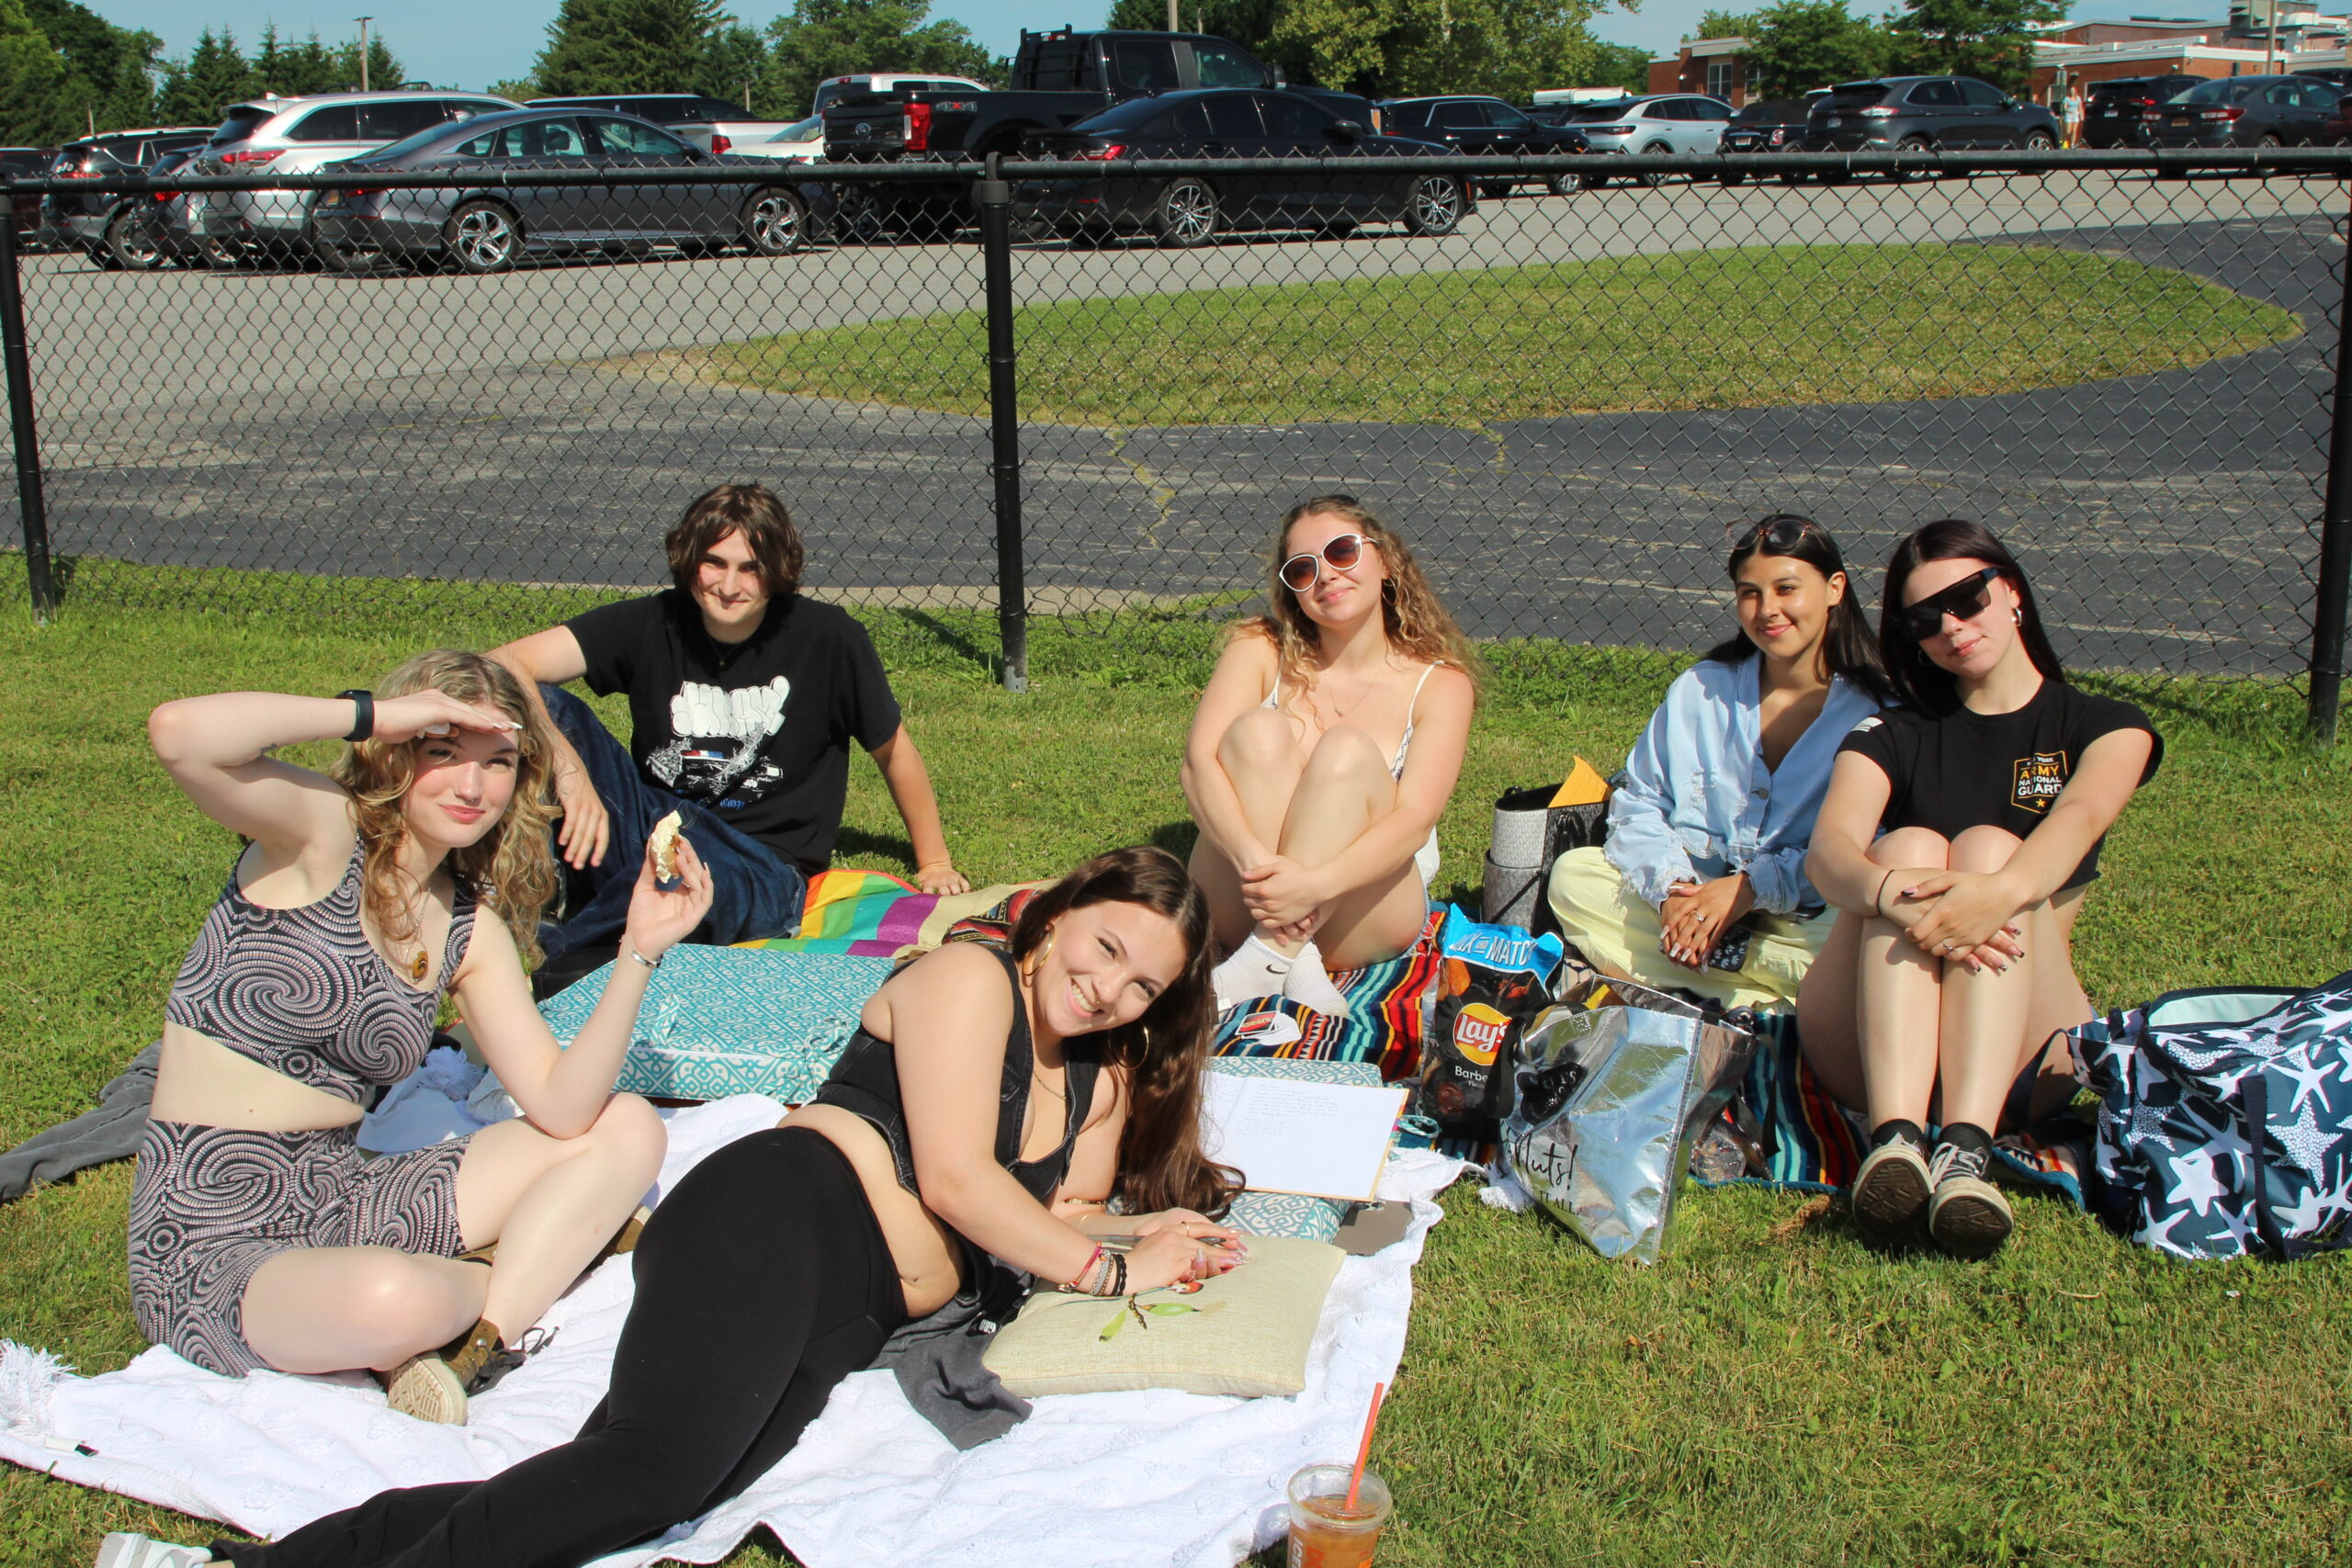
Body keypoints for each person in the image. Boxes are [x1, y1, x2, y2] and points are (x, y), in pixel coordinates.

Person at [103, 848, 1245, 1568]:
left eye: (1142, 984)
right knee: (646, 1473)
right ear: (1053, 916)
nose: (1108, 988)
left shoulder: (1092, 1075)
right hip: (779, 1218)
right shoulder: (967, 980)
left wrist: (1144, 1233)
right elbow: (954, 1180)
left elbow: (1058, 1209)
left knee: (641, 1485)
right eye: (1103, 949)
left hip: (843, 1313)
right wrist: (1104, 1275)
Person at [131, 651, 707, 1427]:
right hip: (209, 1223)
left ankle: (481, 1336)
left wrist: (640, 947)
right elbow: (179, 734)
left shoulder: (469, 926)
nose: (473, 787)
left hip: (343, 1191)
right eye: (444, 752)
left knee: (629, 1123)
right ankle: (535, 1256)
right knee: (392, 1298)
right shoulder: (323, 834)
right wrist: (374, 712)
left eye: (497, 762)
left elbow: (565, 1108)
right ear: (399, 753)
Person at [1799, 520, 2162, 1258]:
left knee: (1994, 848)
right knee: (1904, 846)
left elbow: (2082, 815)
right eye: (1924, 620)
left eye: (1968, 599)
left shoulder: (2107, 726)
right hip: (1866, 1045)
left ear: (2014, 592)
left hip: (2025, 1046)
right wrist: (1897, 890)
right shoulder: (1892, 732)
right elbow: (1829, 854)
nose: (1952, 627)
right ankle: (1896, 1140)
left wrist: (1991, 895)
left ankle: (1965, 1149)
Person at [490, 483, 967, 987]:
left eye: (751, 568)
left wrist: (933, 860)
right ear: (688, 558)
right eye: (714, 563)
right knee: (537, 702)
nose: (729, 585)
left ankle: (562, 954)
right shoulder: (654, 621)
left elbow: (893, 750)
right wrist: (570, 772)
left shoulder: (827, 638)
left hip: (762, 866)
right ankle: (536, 882)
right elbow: (501, 665)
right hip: (655, 823)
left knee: (680, 883)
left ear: (777, 572)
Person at [1547, 514, 1888, 1010]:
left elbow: (1866, 848)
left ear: (1835, 588)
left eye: (1786, 588)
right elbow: (1639, 803)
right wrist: (1673, 893)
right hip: (1687, 905)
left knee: (1862, 932)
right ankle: (1769, 999)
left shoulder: (1875, 714)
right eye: (1750, 593)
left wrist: (1749, 890)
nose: (1768, 609)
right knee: (1574, 876)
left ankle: (1689, 980)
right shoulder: (1701, 691)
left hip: (1801, 921)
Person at [1182, 495, 1476, 1015]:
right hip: (1244, 890)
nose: (1325, 575)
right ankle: (1291, 960)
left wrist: (1313, 886)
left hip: (1365, 908)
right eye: (1303, 569)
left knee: (1345, 750)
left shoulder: (1441, 683)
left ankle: (1265, 957)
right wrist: (1263, 873)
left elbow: (1414, 820)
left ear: (1384, 561)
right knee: (1257, 732)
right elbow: (1198, 765)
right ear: (1291, 590)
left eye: (1342, 552)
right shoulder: (1258, 647)